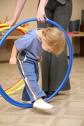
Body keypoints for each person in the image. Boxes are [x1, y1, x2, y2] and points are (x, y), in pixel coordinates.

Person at [9, 27, 66, 110]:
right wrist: (13, 57)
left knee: (35, 78)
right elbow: (16, 44)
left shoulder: (43, 37)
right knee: (30, 78)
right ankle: (37, 99)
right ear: (44, 38)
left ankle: (27, 98)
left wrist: (39, 55)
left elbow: (38, 46)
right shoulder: (31, 37)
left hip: (33, 59)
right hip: (25, 60)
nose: (48, 51)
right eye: (49, 49)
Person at [37, 0, 72, 95]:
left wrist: (41, 8)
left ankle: (56, 87)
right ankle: (45, 87)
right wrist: (14, 19)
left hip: (63, 3)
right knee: (43, 39)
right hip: (43, 3)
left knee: (58, 40)